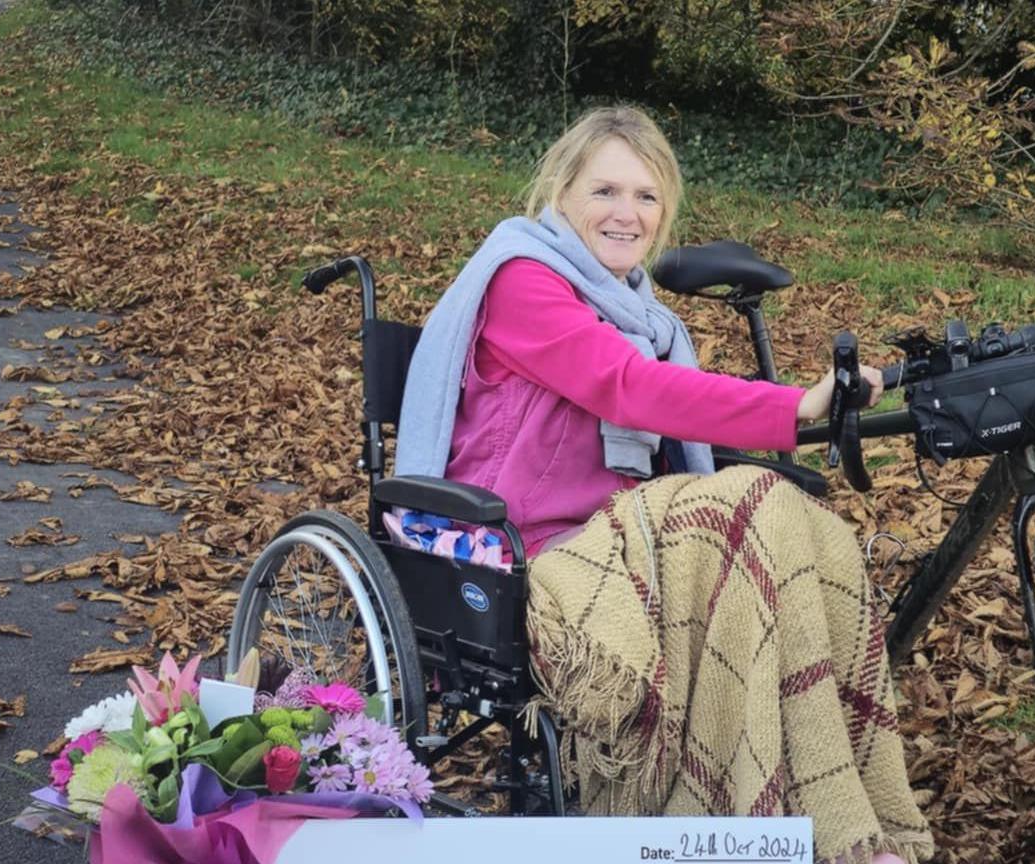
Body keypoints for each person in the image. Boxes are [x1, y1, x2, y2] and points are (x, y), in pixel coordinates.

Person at [397, 106, 931, 864]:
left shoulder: (639, 311)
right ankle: (769, 822)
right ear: (560, 190)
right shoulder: (524, 282)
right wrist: (790, 405)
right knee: (747, 505)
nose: (627, 214)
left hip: (616, 535)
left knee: (788, 522)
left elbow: (666, 405)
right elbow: (629, 390)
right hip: (518, 550)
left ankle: (829, 816)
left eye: (647, 197)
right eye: (606, 191)